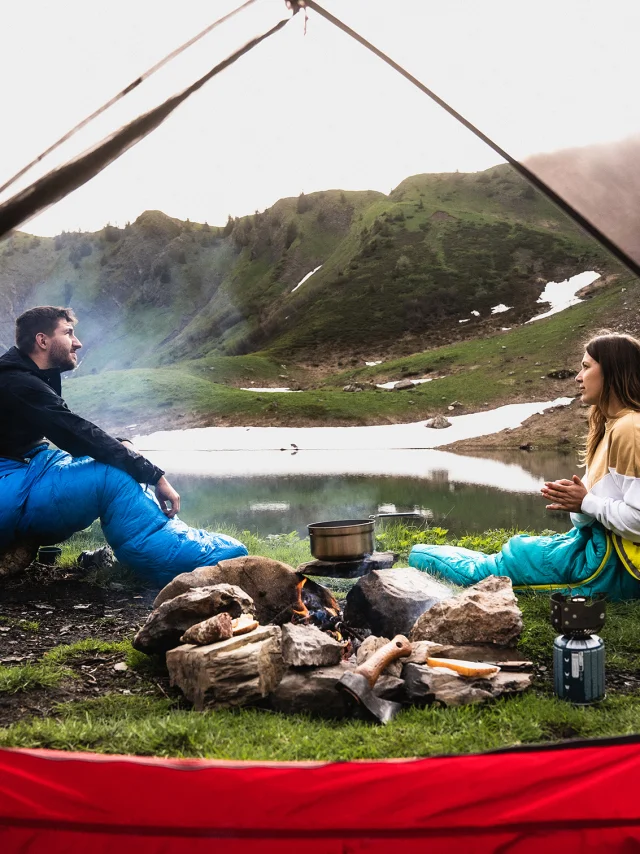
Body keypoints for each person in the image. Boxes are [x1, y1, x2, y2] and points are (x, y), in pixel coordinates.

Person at [0, 306, 247, 584]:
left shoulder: (27, 375)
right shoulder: (19, 382)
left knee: (115, 459)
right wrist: (153, 474)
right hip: (8, 484)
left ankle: (169, 537)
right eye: (68, 333)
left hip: (22, 469)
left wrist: (123, 447)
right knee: (111, 476)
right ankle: (165, 559)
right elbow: (73, 432)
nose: (78, 342)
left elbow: (71, 432)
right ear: (42, 341)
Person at [409, 332, 640, 600]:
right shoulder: (612, 425)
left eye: (586, 367)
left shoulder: (630, 428)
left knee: (482, 569)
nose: (578, 377)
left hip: (616, 567)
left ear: (612, 372)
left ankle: (425, 553)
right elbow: (593, 512)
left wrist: (586, 503)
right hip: (597, 551)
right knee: (518, 553)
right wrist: (578, 503)